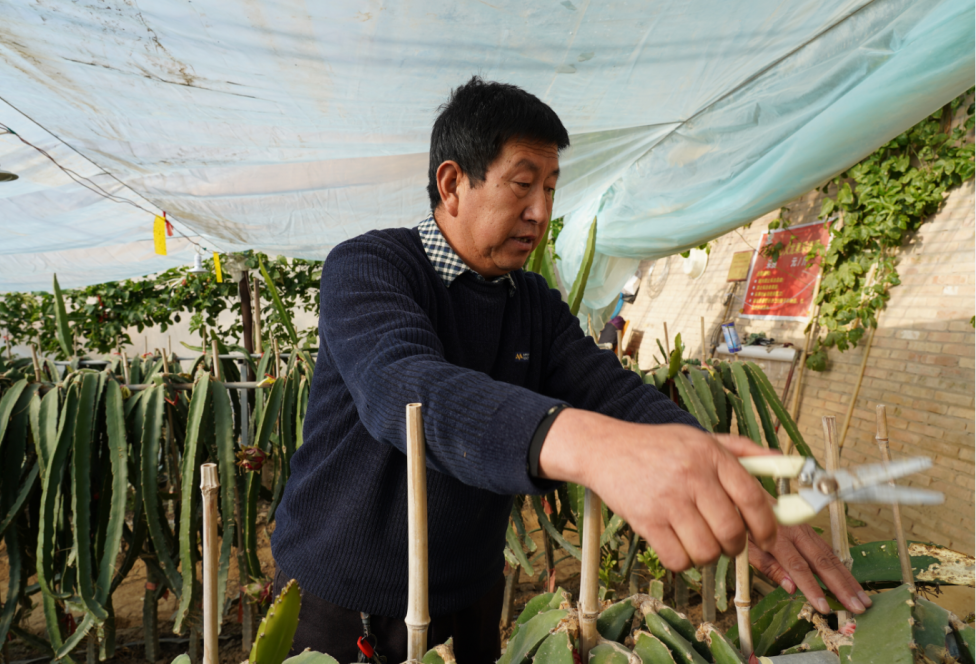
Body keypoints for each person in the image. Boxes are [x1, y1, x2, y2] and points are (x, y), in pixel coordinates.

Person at [271, 77, 870, 664]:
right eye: (523, 185)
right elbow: (405, 386)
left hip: (465, 597)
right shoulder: (369, 268)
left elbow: (612, 392)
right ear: (452, 184)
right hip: (337, 601)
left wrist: (728, 484)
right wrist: (597, 449)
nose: (540, 212)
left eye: (552, 188)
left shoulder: (531, 301)